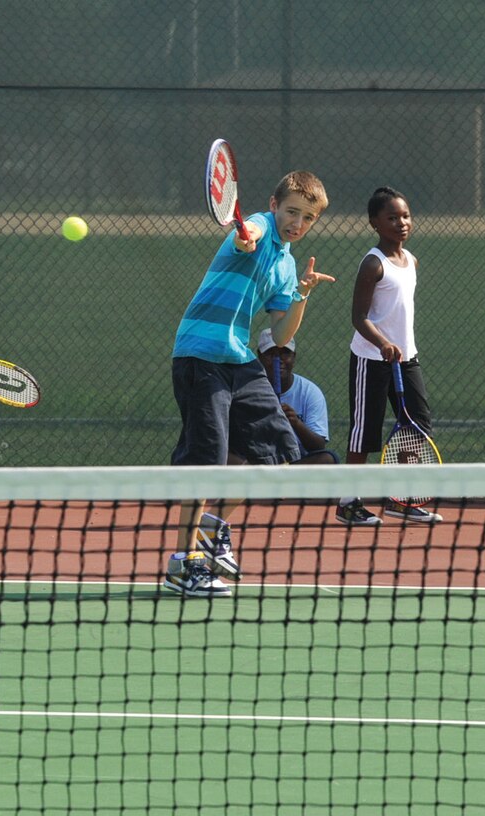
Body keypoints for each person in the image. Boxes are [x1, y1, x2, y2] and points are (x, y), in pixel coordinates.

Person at [168, 171, 333, 599]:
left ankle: (214, 527)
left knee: (275, 447)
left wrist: (301, 295)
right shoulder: (255, 226)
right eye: (292, 211)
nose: (297, 222)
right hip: (200, 354)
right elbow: (250, 234)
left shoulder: (287, 263)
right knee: (206, 460)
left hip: (240, 360)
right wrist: (247, 238)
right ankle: (183, 563)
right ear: (274, 204)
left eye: (308, 217)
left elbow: (279, 336)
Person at [335, 187, 443, 526]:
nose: (401, 222)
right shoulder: (372, 264)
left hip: (407, 359)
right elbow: (358, 317)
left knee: (417, 428)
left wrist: (398, 348)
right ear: (375, 223)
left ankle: (403, 499)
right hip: (371, 359)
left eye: (406, 216)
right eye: (392, 217)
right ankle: (348, 503)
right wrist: (382, 343)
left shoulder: (411, 260)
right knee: (364, 433)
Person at [256, 328, 339, 465]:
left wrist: (295, 423)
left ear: (294, 357)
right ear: (260, 357)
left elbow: (318, 446)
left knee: (328, 458)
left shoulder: (310, 392)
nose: (279, 360)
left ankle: (280, 476)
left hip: (297, 460)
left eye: (285, 353)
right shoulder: (249, 390)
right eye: (271, 354)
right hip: (261, 460)